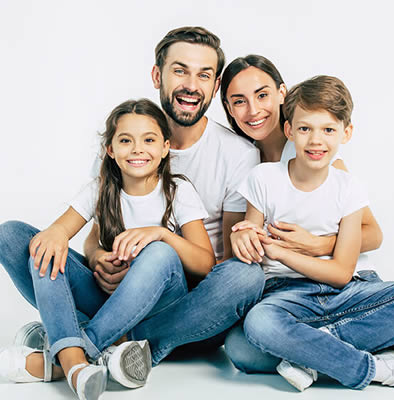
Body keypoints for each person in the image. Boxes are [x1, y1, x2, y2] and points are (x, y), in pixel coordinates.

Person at [1, 27, 265, 375]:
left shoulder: (237, 155)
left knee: (246, 276)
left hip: (182, 305)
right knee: (13, 237)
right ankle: (108, 347)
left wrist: (160, 241)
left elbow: (223, 262)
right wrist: (98, 260)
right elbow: (98, 230)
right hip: (113, 291)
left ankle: (81, 348)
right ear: (158, 75)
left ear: (215, 86)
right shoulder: (126, 141)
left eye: (203, 74)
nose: (191, 84)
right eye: (179, 70)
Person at [0, 98, 216, 399]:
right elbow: (58, 232)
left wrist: (161, 235)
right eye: (126, 140)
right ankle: (96, 346)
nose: (138, 149)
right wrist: (94, 254)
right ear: (111, 150)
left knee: (159, 251)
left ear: (166, 147)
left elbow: (206, 264)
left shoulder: (178, 191)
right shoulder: (101, 189)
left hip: (161, 305)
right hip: (109, 300)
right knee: (17, 237)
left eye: (149, 140)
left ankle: (71, 357)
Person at [230, 75, 394, 391]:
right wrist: (242, 238)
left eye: (329, 130)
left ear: (346, 133)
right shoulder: (264, 178)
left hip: (349, 292)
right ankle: (375, 366)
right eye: (305, 128)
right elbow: (250, 238)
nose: (316, 140)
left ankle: (309, 352)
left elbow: (340, 273)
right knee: (251, 334)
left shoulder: (348, 188)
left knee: (253, 349)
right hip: (284, 295)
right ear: (289, 130)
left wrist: (282, 251)